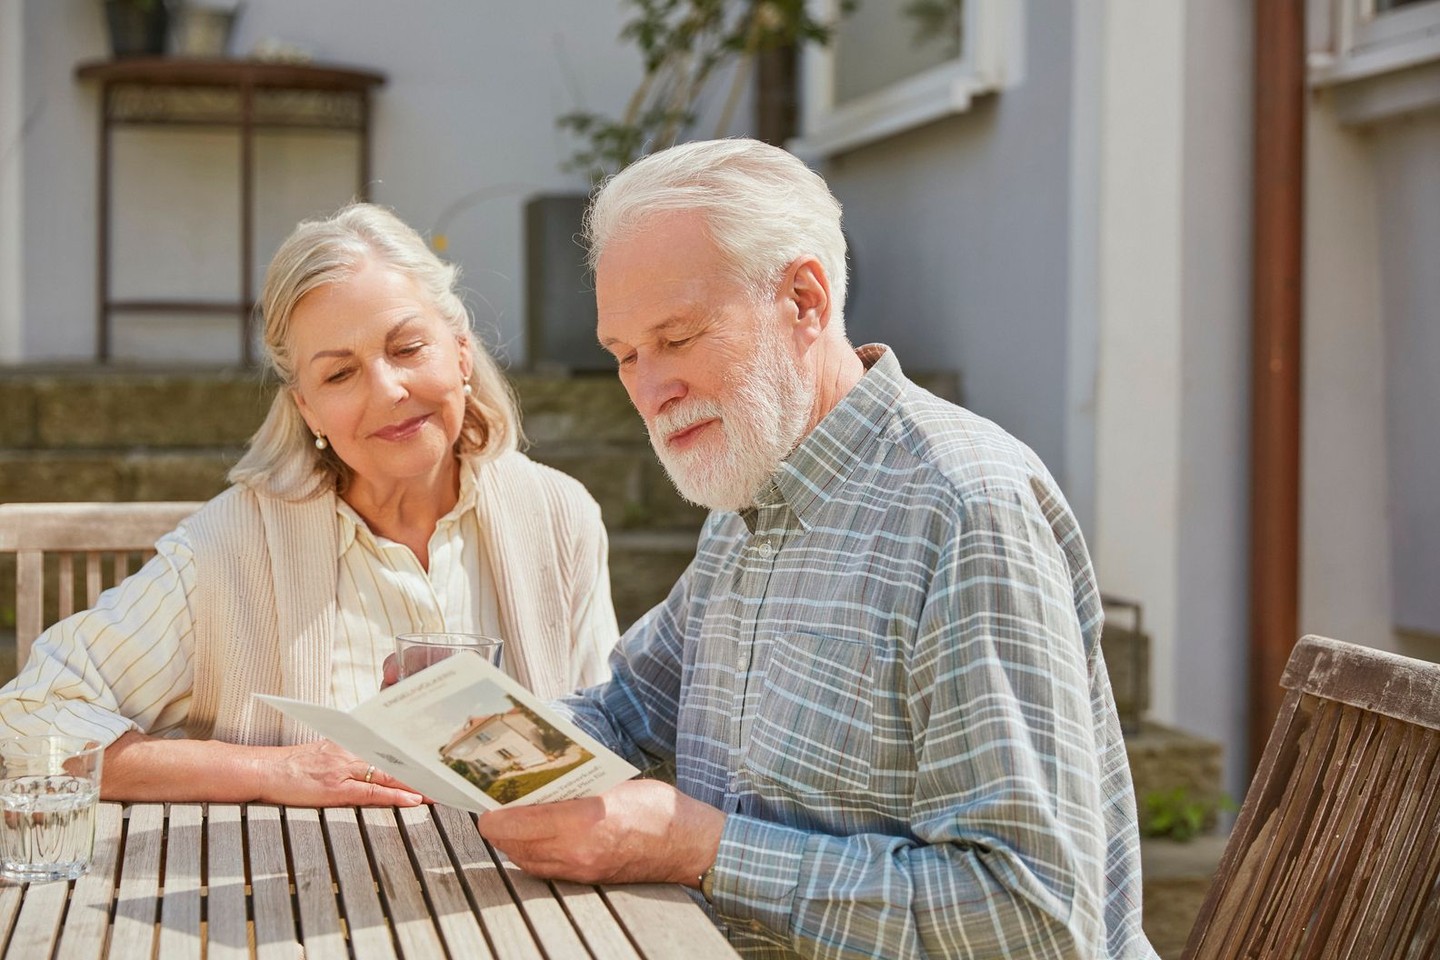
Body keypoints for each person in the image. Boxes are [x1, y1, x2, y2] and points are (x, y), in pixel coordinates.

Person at [477, 139, 1158, 959]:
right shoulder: (748, 488)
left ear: (804, 298)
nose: (650, 389)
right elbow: (625, 710)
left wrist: (701, 848)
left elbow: (1035, 921)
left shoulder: (963, 505)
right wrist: (446, 740)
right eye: (625, 356)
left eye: (680, 337)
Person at [0, 203, 619, 808]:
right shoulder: (226, 552)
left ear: (459, 352)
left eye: (407, 348)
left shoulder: (559, 514)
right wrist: (270, 769)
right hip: (296, 897)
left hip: (520, 900)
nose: (388, 390)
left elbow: (607, 730)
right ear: (308, 411)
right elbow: (29, 720)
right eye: (339, 375)